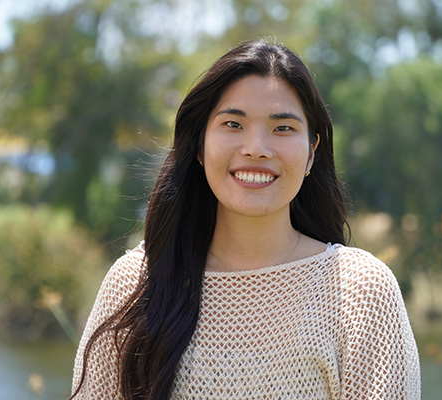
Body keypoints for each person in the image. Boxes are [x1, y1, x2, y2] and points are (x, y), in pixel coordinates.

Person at [70, 38, 420, 400]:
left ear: (311, 153)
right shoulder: (135, 283)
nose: (256, 148)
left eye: (282, 128)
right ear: (200, 145)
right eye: (233, 124)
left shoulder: (360, 291)